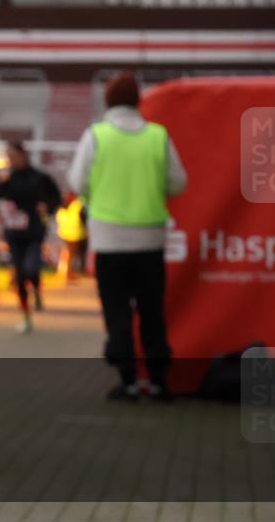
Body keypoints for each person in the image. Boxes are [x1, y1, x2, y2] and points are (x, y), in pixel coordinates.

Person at [67, 73, 187, 402]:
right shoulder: (157, 136)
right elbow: (178, 183)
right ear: (138, 100)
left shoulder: (96, 136)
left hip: (109, 240)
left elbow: (78, 182)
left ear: (107, 101)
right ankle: (159, 381)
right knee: (151, 312)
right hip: (150, 239)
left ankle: (128, 381)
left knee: (116, 311)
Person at [0, 142, 62, 333]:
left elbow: (56, 199)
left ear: (23, 155)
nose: (11, 160)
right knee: (20, 274)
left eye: (13, 156)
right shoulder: (6, 179)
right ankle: (25, 315)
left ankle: (36, 289)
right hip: (14, 233)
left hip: (35, 232)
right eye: (9, 157)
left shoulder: (40, 178)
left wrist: (47, 206)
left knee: (32, 267)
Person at [56, 192, 88, 276]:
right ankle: (71, 272)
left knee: (70, 254)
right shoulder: (77, 206)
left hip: (64, 234)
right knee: (74, 254)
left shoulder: (62, 207)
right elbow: (84, 218)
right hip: (76, 234)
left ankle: (74, 270)